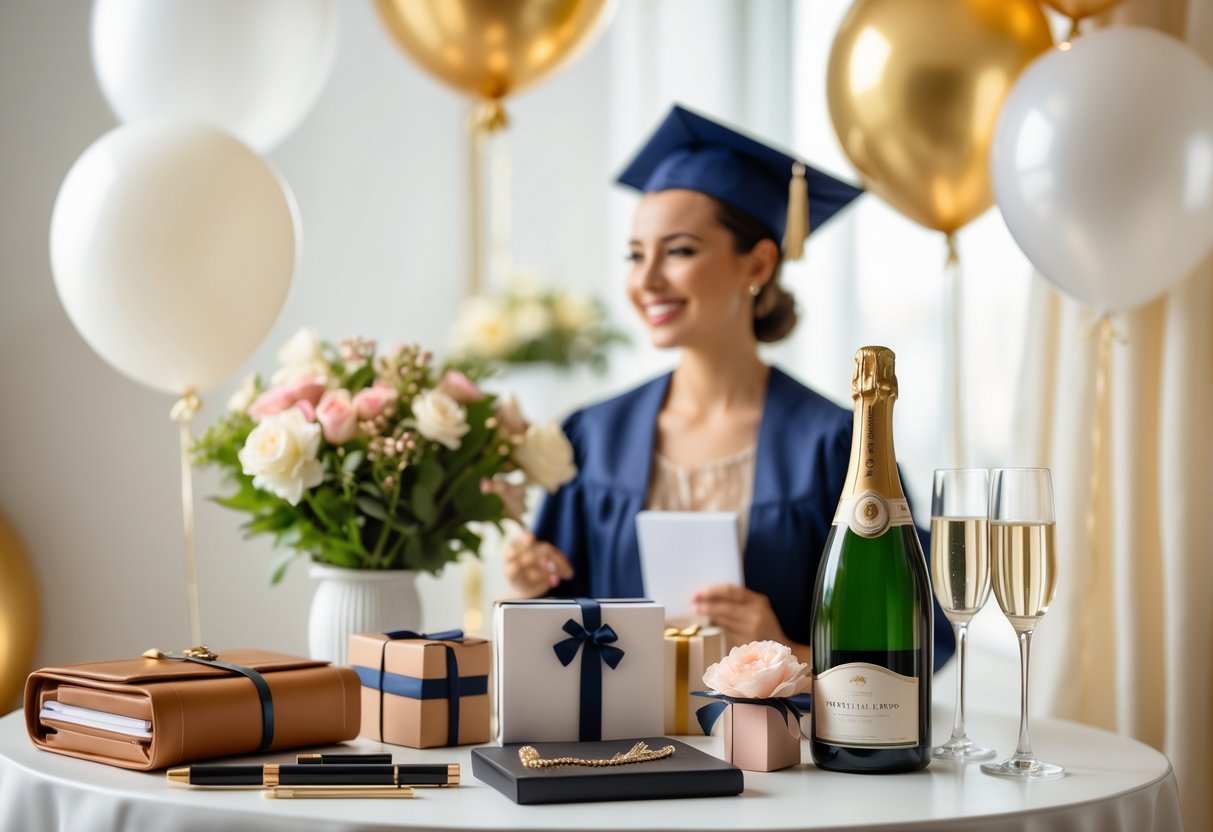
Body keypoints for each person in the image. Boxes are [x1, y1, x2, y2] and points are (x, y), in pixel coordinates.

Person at [504, 104, 955, 670]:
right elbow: (560, 641)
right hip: (625, 748)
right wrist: (529, 589)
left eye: (680, 251)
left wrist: (786, 649)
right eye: (636, 255)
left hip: (775, 752)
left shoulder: (835, 445)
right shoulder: (595, 434)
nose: (645, 281)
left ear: (759, 264)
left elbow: (917, 647)